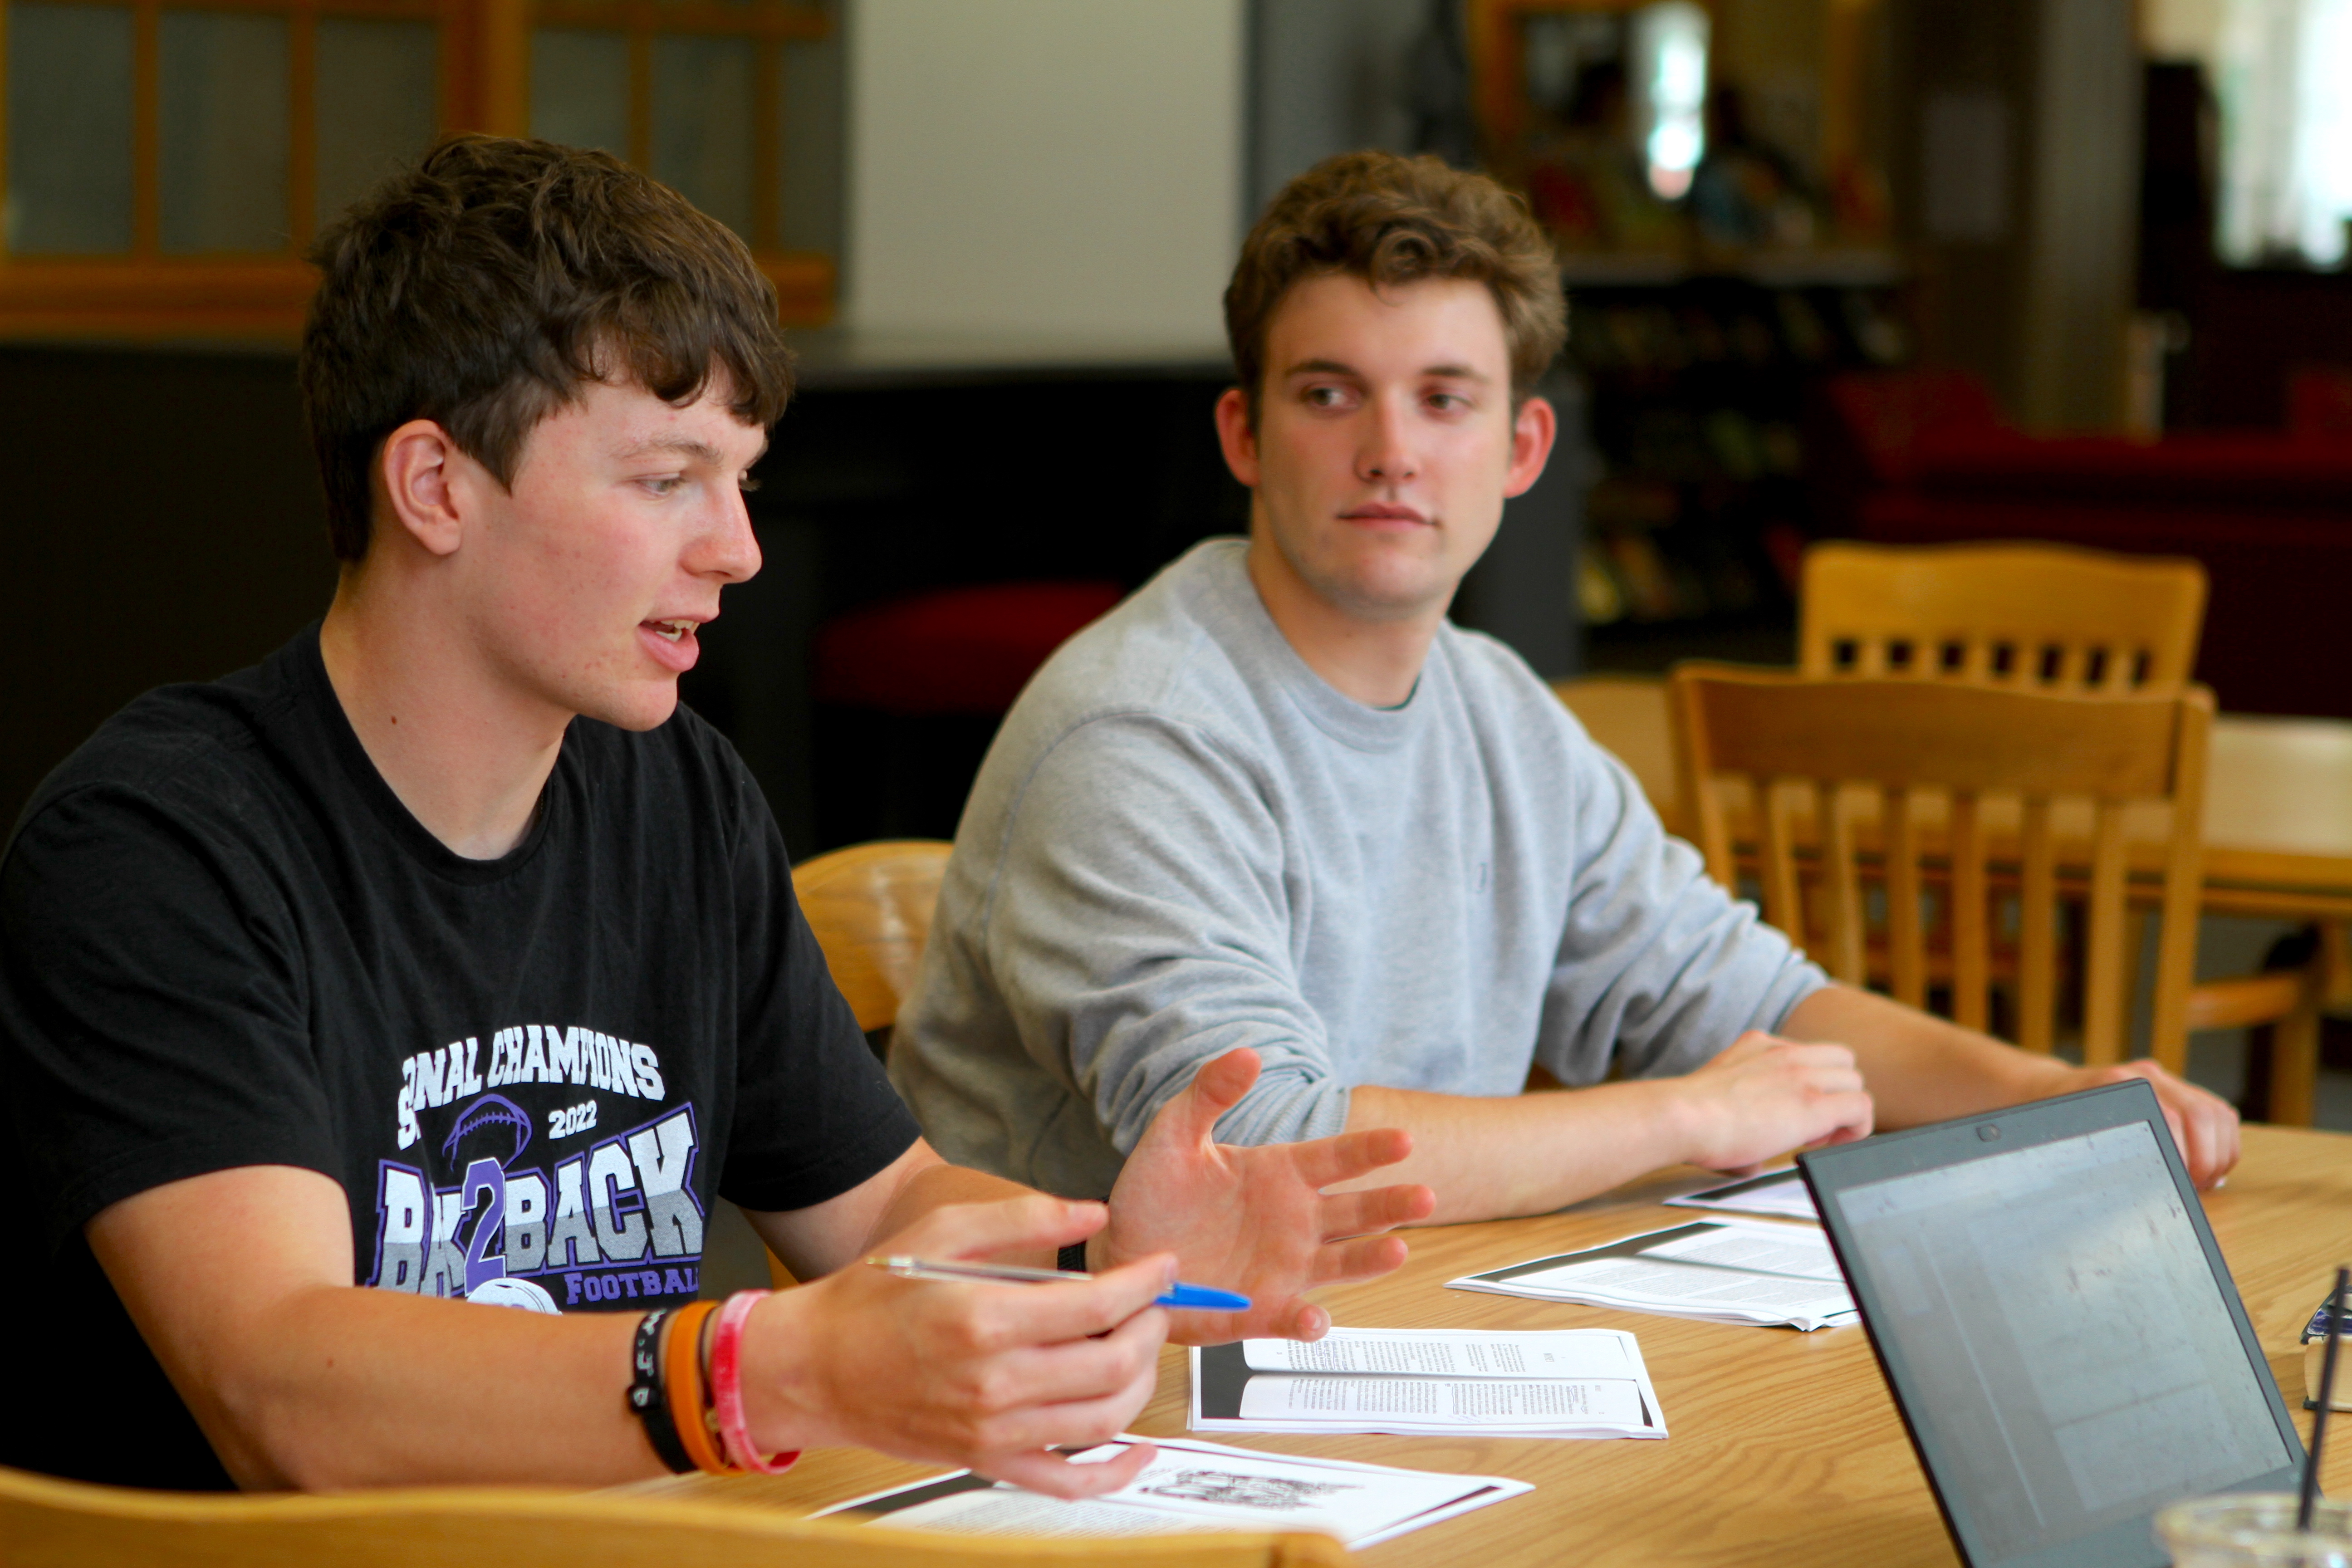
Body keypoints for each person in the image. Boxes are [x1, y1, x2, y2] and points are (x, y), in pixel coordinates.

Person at [0, 136, 1431, 1497]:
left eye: (739, 482)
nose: (737, 549)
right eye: (665, 479)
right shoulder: (159, 847)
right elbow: (283, 1395)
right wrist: (770, 1369)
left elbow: (878, 1212)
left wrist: (1102, 1262)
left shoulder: (672, 790)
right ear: (436, 485)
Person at [887, 150, 2239, 1225]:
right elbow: (1261, 1154)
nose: (1390, 452)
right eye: (1328, 393)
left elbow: (1746, 1002)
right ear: (1244, 433)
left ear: (1523, 447)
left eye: (1445, 399)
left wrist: (2059, 1095)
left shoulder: (1503, 714)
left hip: (1378, 1346)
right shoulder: (1138, 729)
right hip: (1090, 1400)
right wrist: (1686, 1118)